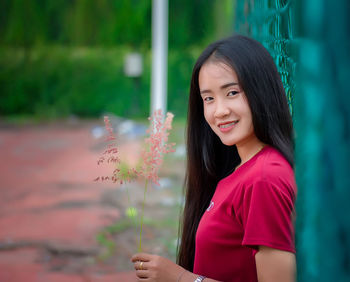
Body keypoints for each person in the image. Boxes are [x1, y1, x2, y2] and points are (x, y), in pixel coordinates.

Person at [131, 34, 297, 282]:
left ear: (261, 90)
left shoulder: (264, 179)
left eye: (232, 93)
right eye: (208, 98)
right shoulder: (240, 170)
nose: (219, 111)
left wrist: (180, 278)